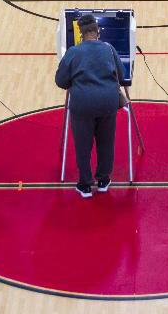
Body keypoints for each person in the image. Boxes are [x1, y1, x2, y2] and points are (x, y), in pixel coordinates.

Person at [55, 15, 124, 198]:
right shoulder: (109, 50)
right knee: (106, 142)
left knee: (83, 145)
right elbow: (122, 75)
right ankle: (103, 180)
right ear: (97, 31)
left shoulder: (73, 52)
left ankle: (85, 185)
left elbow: (60, 81)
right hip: (107, 103)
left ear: (81, 33)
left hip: (83, 104)